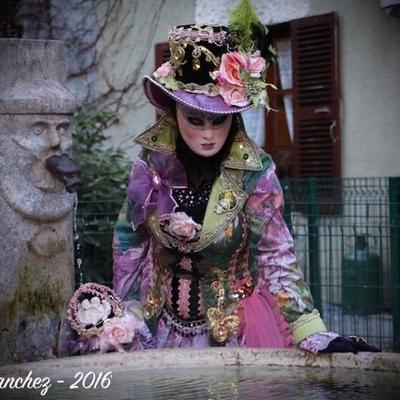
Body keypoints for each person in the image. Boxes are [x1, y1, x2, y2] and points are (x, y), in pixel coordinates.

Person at [110, 11, 379, 353]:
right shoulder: (152, 164)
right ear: (174, 112)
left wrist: (311, 331)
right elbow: (128, 244)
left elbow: (275, 253)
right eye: (195, 119)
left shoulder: (256, 171)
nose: (208, 135)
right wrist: (126, 316)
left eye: (219, 121)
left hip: (236, 332)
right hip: (157, 329)